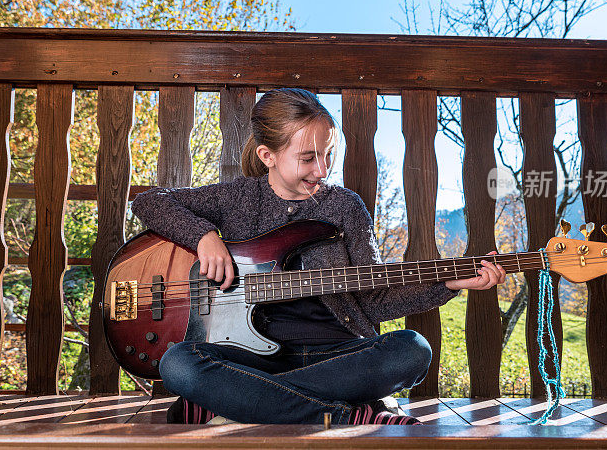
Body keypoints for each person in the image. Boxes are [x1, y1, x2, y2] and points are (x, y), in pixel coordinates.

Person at [131, 88, 506, 425]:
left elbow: (372, 297)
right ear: (268, 156)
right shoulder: (239, 198)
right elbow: (150, 201)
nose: (322, 170)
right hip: (251, 358)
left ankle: (238, 401)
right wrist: (204, 237)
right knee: (178, 363)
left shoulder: (344, 207)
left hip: (337, 356)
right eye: (308, 158)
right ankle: (346, 414)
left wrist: (447, 283)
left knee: (412, 350)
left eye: (328, 155)